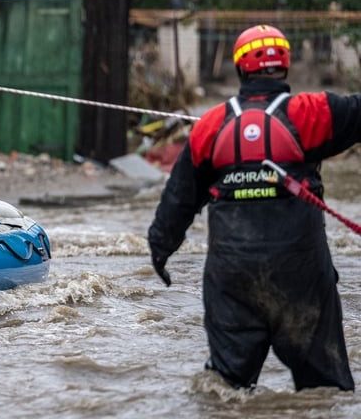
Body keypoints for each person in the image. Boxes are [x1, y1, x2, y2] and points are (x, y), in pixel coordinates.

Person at [148, 25, 361, 391]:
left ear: (240, 69)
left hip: (231, 279)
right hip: (301, 276)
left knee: (226, 390)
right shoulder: (314, 112)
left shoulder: (209, 126)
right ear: (285, 67)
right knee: (324, 392)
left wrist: (160, 252)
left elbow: (178, 201)